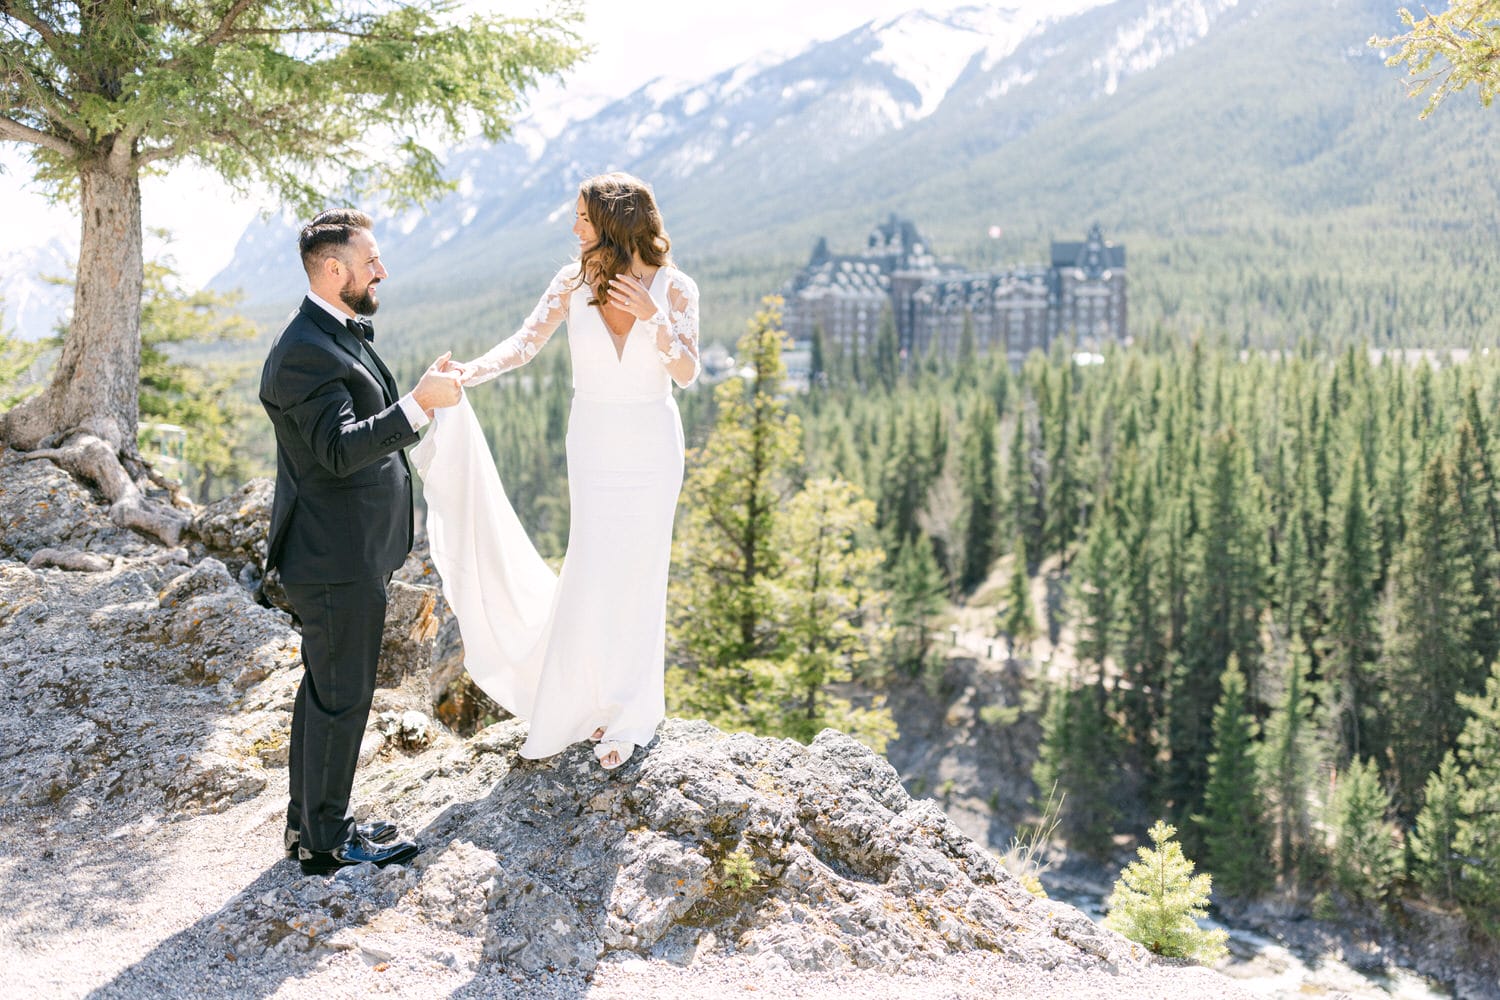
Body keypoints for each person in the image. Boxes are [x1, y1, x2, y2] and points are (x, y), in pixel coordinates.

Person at [418, 172, 699, 771]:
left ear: (615, 222)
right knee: (593, 564)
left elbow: (686, 372)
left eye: (583, 217)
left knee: (643, 571)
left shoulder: (676, 289)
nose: (573, 228)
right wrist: (468, 371)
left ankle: (631, 711)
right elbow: (524, 344)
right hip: (594, 441)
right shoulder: (570, 283)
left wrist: (652, 317)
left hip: (652, 445)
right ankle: (579, 703)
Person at [260, 208, 464, 875]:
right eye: (371, 259)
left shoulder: (328, 335)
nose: (382, 269)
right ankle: (327, 843)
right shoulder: (302, 354)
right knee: (342, 696)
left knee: (326, 692)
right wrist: (417, 405)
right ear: (332, 268)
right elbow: (340, 451)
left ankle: (308, 825)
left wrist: (416, 398)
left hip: (344, 553)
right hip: (333, 557)